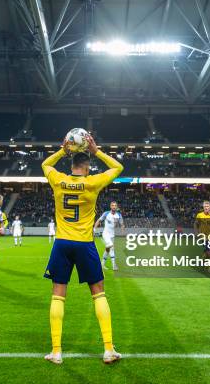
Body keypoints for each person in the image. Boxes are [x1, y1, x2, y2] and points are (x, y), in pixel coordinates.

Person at [41, 133, 123, 365]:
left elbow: (45, 164)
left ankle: (56, 352)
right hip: (85, 243)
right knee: (98, 292)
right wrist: (96, 151)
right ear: (87, 167)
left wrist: (61, 151)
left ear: (72, 164)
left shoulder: (57, 180)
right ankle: (108, 349)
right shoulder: (92, 182)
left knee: (58, 293)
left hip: (62, 243)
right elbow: (118, 167)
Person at [95, 201, 125, 271]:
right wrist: (94, 229)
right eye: (112, 205)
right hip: (105, 234)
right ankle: (114, 265)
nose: (114, 207)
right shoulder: (106, 213)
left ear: (116, 207)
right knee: (111, 247)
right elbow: (99, 220)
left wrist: (123, 229)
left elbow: (122, 224)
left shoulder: (119, 215)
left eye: (115, 205)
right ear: (110, 206)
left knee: (107, 249)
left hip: (112, 235)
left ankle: (102, 264)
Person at [194, 200, 210, 274]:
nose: (206, 207)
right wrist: (196, 232)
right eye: (204, 206)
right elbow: (195, 224)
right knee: (209, 253)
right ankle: (209, 268)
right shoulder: (199, 215)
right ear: (203, 207)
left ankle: (203, 258)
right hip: (203, 236)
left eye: (207, 206)